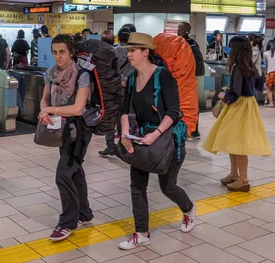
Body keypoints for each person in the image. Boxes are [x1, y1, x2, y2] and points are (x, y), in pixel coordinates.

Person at [117, 32, 195, 251]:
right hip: (141, 137)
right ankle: (142, 233)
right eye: (128, 50)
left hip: (167, 138)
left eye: (133, 50)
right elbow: (125, 109)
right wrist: (125, 133)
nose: (129, 54)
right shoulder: (132, 78)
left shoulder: (163, 76)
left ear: (146, 52)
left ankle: (188, 209)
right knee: (137, 186)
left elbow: (173, 111)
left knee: (167, 187)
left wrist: (156, 134)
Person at [39, 34, 94, 242]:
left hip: (79, 130)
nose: (58, 56)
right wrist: (45, 112)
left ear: (71, 52)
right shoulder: (50, 73)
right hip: (61, 128)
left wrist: (51, 110)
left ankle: (67, 222)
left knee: (63, 173)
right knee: (75, 170)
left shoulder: (82, 74)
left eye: (62, 52)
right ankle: (85, 214)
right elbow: (44, 99)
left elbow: (78, 108)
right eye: (54, 52)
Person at [202, 36, 272, 192]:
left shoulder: (238, 67)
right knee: (232, 141)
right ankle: (234, 174)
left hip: (238, 105)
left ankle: (243, 179)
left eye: (231, 47)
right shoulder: (251, 66)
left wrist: (224, 97)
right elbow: (260, 86)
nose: (229, 50)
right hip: (248, 104)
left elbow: (236, 92)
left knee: (238, 144)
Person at [99, 27, 132, 157]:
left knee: (111, 116)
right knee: (126, 116)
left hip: (114, 88)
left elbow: (109, 71)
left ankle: (110, 146)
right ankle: (125, 145)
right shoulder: (134, 52)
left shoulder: (113, 52)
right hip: (130, 88)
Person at [178, 22, 202, 140]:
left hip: (183, 78)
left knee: (182, 104)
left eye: (179, 28)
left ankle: (186, 130)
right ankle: (194, 130)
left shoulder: (180, 43)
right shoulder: (194, 43)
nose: (177, 30)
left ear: (182, 31)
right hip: (192, 78)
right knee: (192, 104)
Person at [263, 40, 275, 107]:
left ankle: (271, 103)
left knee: (269, 89)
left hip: (270, 72)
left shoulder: (265, 53)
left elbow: (265, 64)